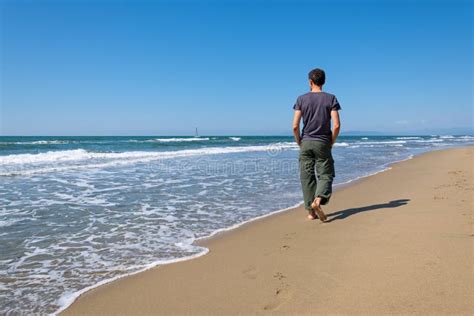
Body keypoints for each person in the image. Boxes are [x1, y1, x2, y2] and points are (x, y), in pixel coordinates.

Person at [292, 68, 341, 222]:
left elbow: (295, 125)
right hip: (323, 143)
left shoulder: (301, 99)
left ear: (310, 82)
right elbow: (337, 125)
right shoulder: (331, 98)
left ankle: (311, 213)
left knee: (307, 177)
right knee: (325, 174)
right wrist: (331, 141)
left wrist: (299, 141)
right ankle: (318, 200)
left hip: (306, 142)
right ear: (324, 82)